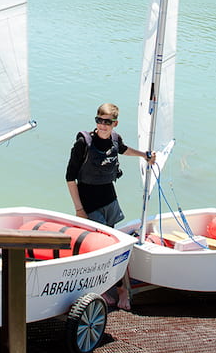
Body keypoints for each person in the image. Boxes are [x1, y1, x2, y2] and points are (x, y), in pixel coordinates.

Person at [65, 102, 154, 309]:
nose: (102, 125)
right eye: (99, 120)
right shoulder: (83, 142)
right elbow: (70, 178)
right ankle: (104, 288)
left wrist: (144, 155)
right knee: (102, 248)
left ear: (115, 123)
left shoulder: (115, 139)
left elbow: (123, 150)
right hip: (89, 204)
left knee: (115, 244)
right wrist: (79, 209)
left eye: (107, 122)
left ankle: (121, 289)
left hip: (109, 201)